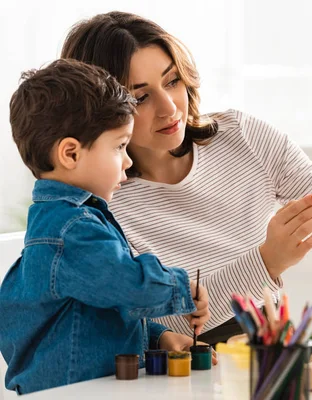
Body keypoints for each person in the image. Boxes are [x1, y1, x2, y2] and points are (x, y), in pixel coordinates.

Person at [60, 11, 312, 345]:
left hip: (272, 357)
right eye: (141, 97)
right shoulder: (100, 203)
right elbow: (161, 326)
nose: (170, 108)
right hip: (185, 378)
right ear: (101, 109)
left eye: (172, 81)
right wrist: (267, 261)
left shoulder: (243, 137)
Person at [0, 59, 210, 394]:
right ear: (70, 154)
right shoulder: (73, 231)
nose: (127, 160)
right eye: (119, 146)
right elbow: (127, 285)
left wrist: (159, 335)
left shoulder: (68, 224)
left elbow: (96, 313)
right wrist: (180, 289)